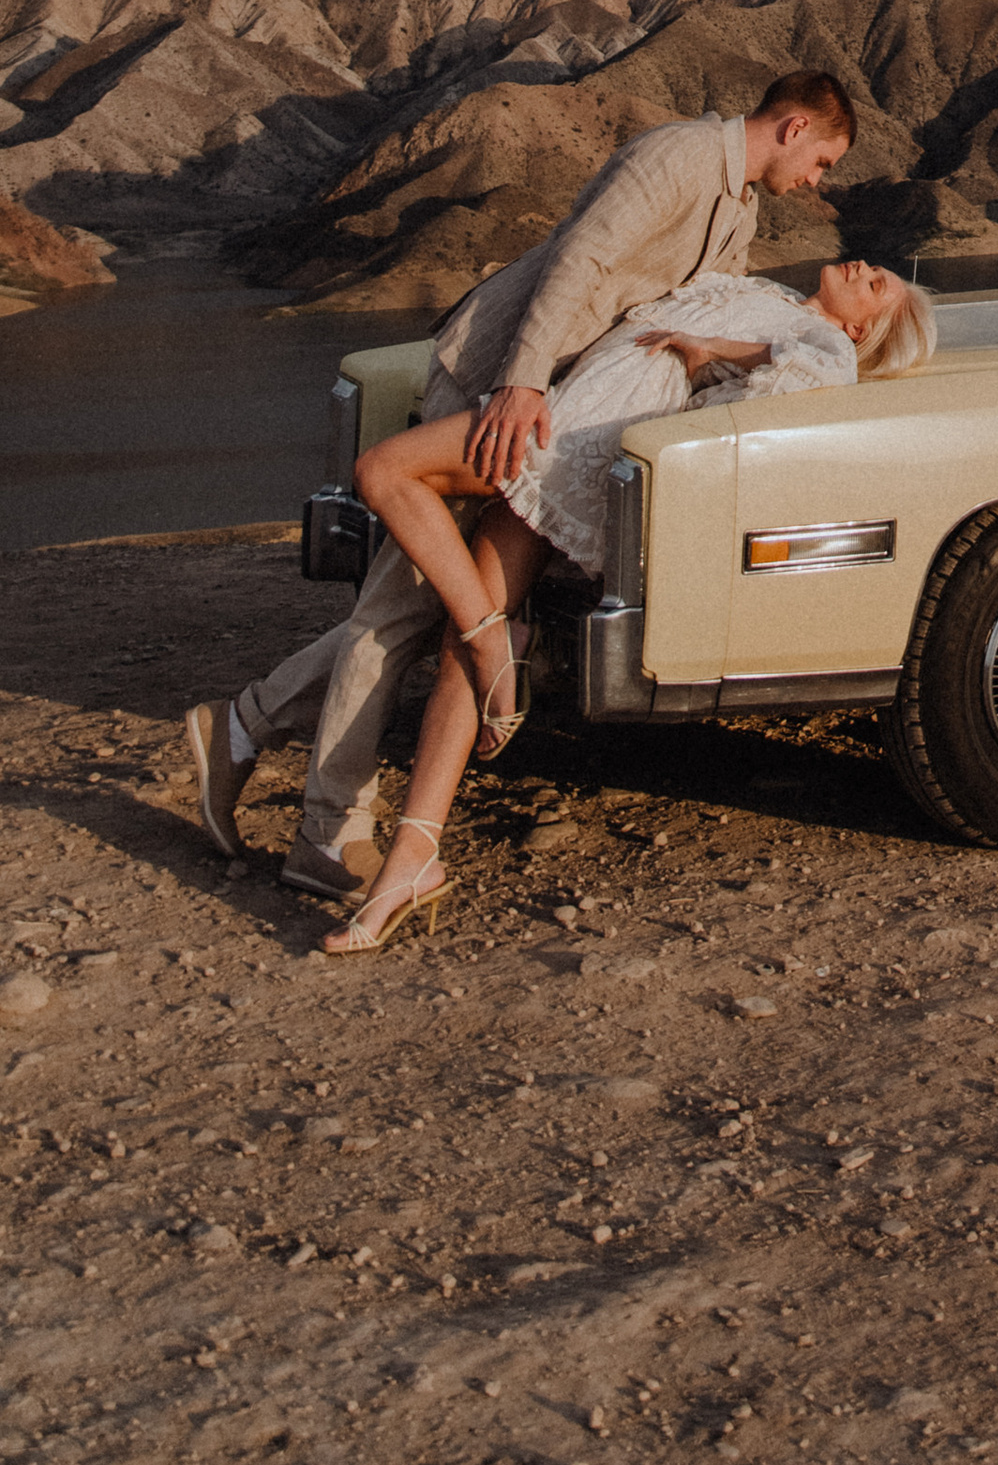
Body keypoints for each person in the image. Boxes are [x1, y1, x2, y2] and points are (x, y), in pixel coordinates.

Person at [184, 73, 862, 898]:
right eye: (823, 161)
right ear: (794, 128)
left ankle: (246, 725)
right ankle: (325, 828)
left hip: (561, 402)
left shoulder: (740, 209)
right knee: (401, 607)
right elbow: (580, 257)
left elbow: (693, 314)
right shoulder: (679, 156)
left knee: (430, 601)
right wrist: (522, 381)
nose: (817, 181)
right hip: (499, 373)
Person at [320, 252, 936, 954]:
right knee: (460, 646)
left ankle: (495, 641)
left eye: (876, 285)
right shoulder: (772, 295)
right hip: (570, 415)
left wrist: (710, 357)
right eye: (874, 269)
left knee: (383, 469)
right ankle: (414, 856)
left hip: (570, 438)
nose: (863, 267)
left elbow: (807, 381)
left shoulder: (825, 343)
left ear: (860, 330)